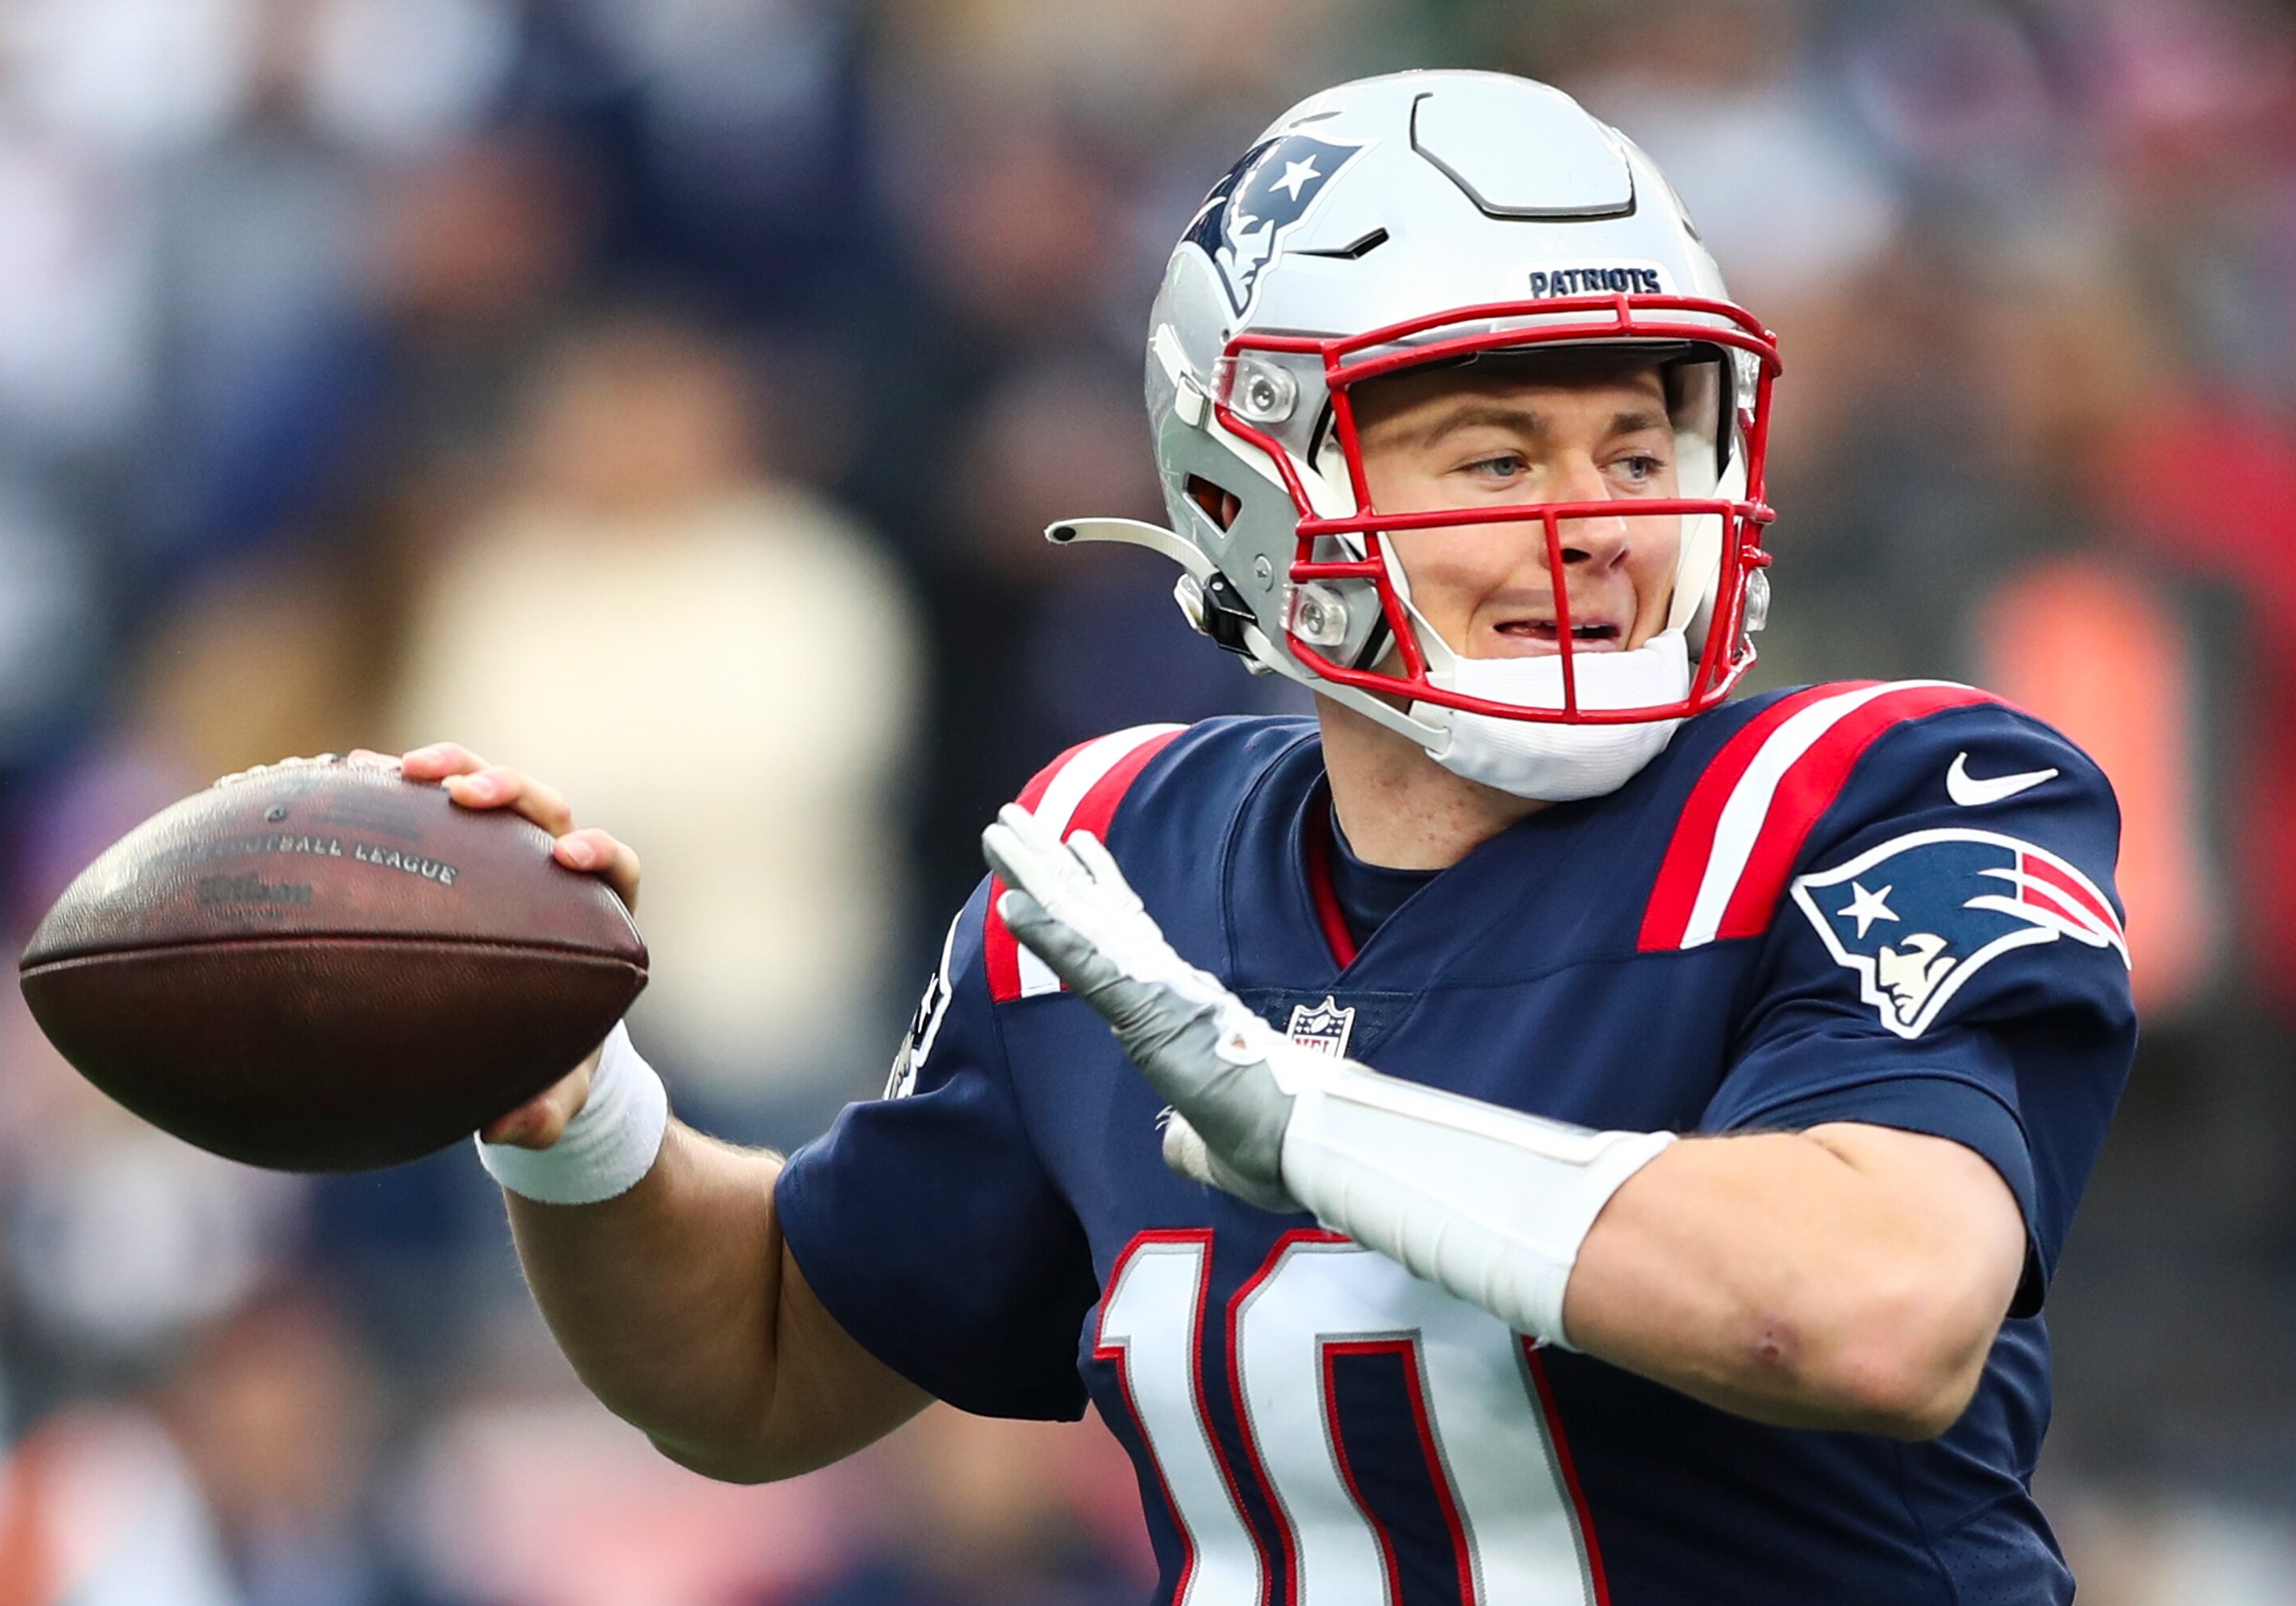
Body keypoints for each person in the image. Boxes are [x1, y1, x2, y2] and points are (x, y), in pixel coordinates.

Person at [411, 71, 2132, 1603]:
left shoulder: (1878, 791)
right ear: (1254, 492)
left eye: (1637, 442)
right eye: (1495, 459)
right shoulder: (1120, 854)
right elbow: (767, 1361)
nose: (1601, 524)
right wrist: (577, 1107)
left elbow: (1877, 1307)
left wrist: (1310, 1117)